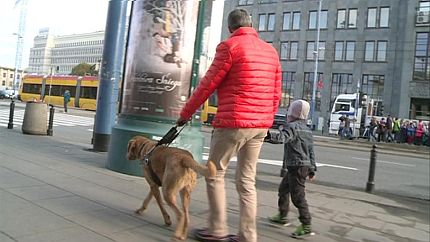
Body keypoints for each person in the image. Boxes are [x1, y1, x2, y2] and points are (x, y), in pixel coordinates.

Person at [176, 9, 282, 242]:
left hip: (233, 122)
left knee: (215, 173)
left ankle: (217, 230)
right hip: (260, 126)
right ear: (252, 25)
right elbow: (276, 93)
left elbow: (207, 85)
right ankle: (248, 235)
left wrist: (185, 114)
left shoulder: (229, 47)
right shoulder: (270, 52)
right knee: (246, 180)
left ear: (230, 28)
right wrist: (267, 118)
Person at [268, 100, 316, 238]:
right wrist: (312, 169)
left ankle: (306, 225)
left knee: (298, 197)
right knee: (283, 189)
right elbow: (311, 151)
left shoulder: (292, 127)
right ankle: (282, 215)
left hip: (297, 167)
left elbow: (282, 138)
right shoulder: (307, 130)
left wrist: (267, 135)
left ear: (292, 113)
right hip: (301, 166)